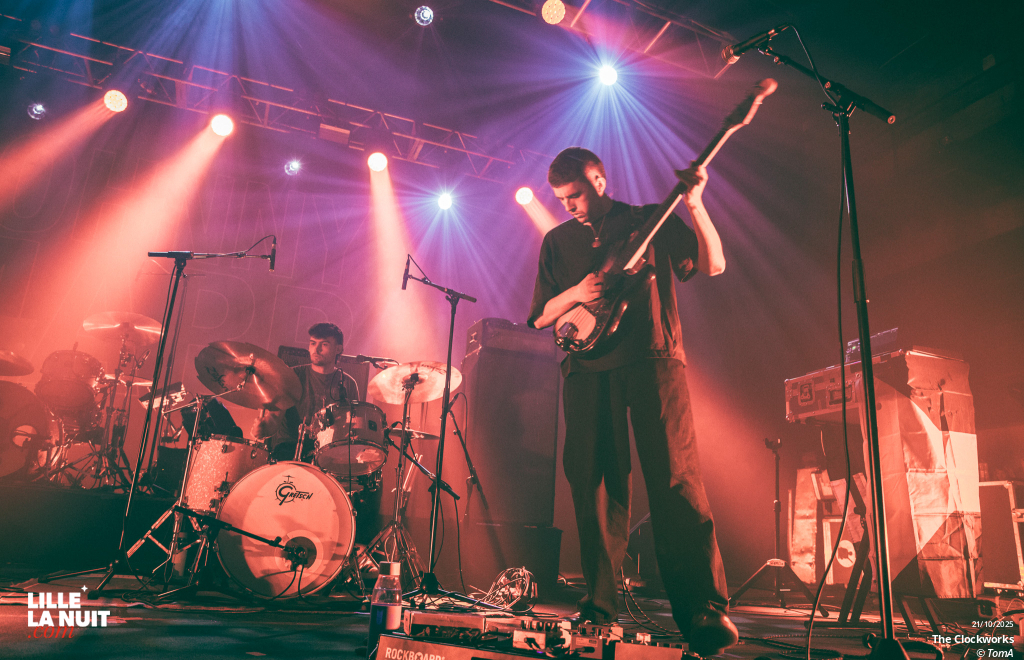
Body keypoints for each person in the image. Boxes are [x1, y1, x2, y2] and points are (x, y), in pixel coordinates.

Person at [527, 148, 738, 656]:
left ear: (599, 180)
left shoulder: (650, 218)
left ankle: (705, 609)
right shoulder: (557, 240)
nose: (568, 205)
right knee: (594, 485)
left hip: (653, 358)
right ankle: (599, 607)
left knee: (676, 478)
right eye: (561, 198)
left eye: (576, 194)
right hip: (586, 369)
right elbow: (539, 316)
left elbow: (712, 264)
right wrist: (577, 292)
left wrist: (696, 202)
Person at [252, 322, 350, 461]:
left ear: (338, 349)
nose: (316, 349)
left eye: (324, 344)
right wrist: (264, 428)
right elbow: (274, 419)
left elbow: (350, 429)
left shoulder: (348, 383)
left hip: (328, 454)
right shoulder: (291, 376)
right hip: (289, 450)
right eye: (313, 343)